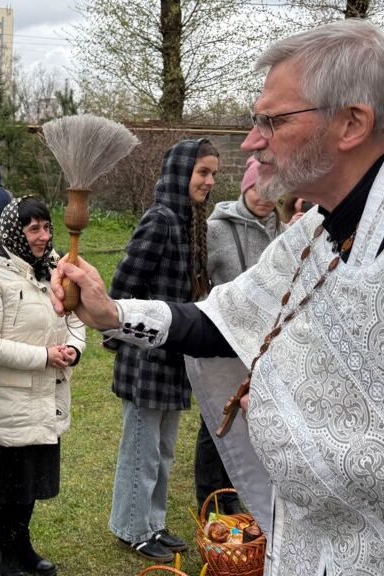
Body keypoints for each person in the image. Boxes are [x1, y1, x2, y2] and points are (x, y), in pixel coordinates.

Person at [50, 18, 384, 576]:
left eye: (272, 120)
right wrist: (112, 313)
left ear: (351, 123)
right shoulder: (310, 234)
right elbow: (221, 320)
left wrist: (274, 400)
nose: (252, 142)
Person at [105, 139, 218, 563]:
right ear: (179, 173)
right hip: (146, 358)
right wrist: (120, 336)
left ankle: (152, 522)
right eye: (202, 172)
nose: (209, 181)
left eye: (212, 173)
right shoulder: (160, 220)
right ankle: (132, 529)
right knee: (142, 450)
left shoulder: (190, 223)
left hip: (174, 355)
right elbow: (124, 283)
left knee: (164, 450)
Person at [0, 197, 85, 576]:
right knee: (7, 484)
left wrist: (73, 349)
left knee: (30, 480)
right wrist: (43, 356)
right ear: (13, 231)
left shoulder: (56, 267)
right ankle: (4, 554)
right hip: (7, 396)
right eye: (33, 228)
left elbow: (76, 318)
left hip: (46, 394)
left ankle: (22, 547)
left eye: (47, 227)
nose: (44, 236)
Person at [194, 155, 283, 515]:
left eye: (274, 191)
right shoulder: (216, 229)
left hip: (268, 344)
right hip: (226, 340)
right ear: (246, 187)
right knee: (218, 418)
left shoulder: (284, 231)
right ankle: (213, 498)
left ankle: (240, 492)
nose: (265, 197)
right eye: (259, 189)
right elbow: (199, 281)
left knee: (257, 419)